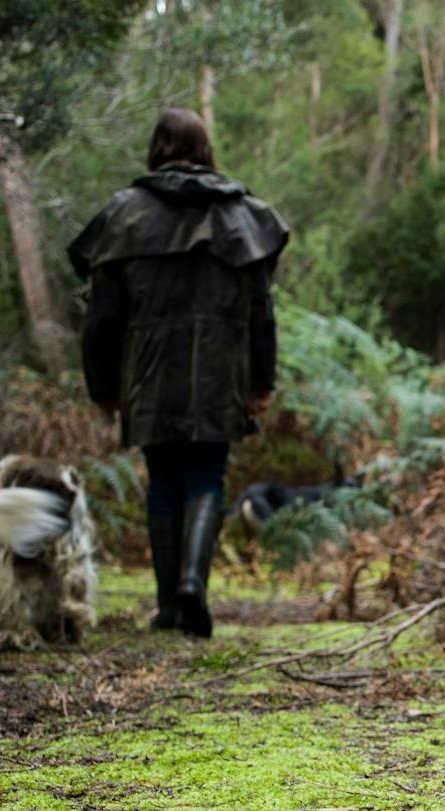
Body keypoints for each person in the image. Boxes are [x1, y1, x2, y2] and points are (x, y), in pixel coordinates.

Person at [68, 108, 288, 638]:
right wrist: (261, 381)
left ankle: (170, 606)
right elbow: (262, 311)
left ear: (157, 147)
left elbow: (102, 319)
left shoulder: (126, 214)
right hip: (220, 371)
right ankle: (192, 585)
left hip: (149, 372)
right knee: (206, 476)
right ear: (205, 147)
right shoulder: (242, 216)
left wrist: (103, 386)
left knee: (164, 479)